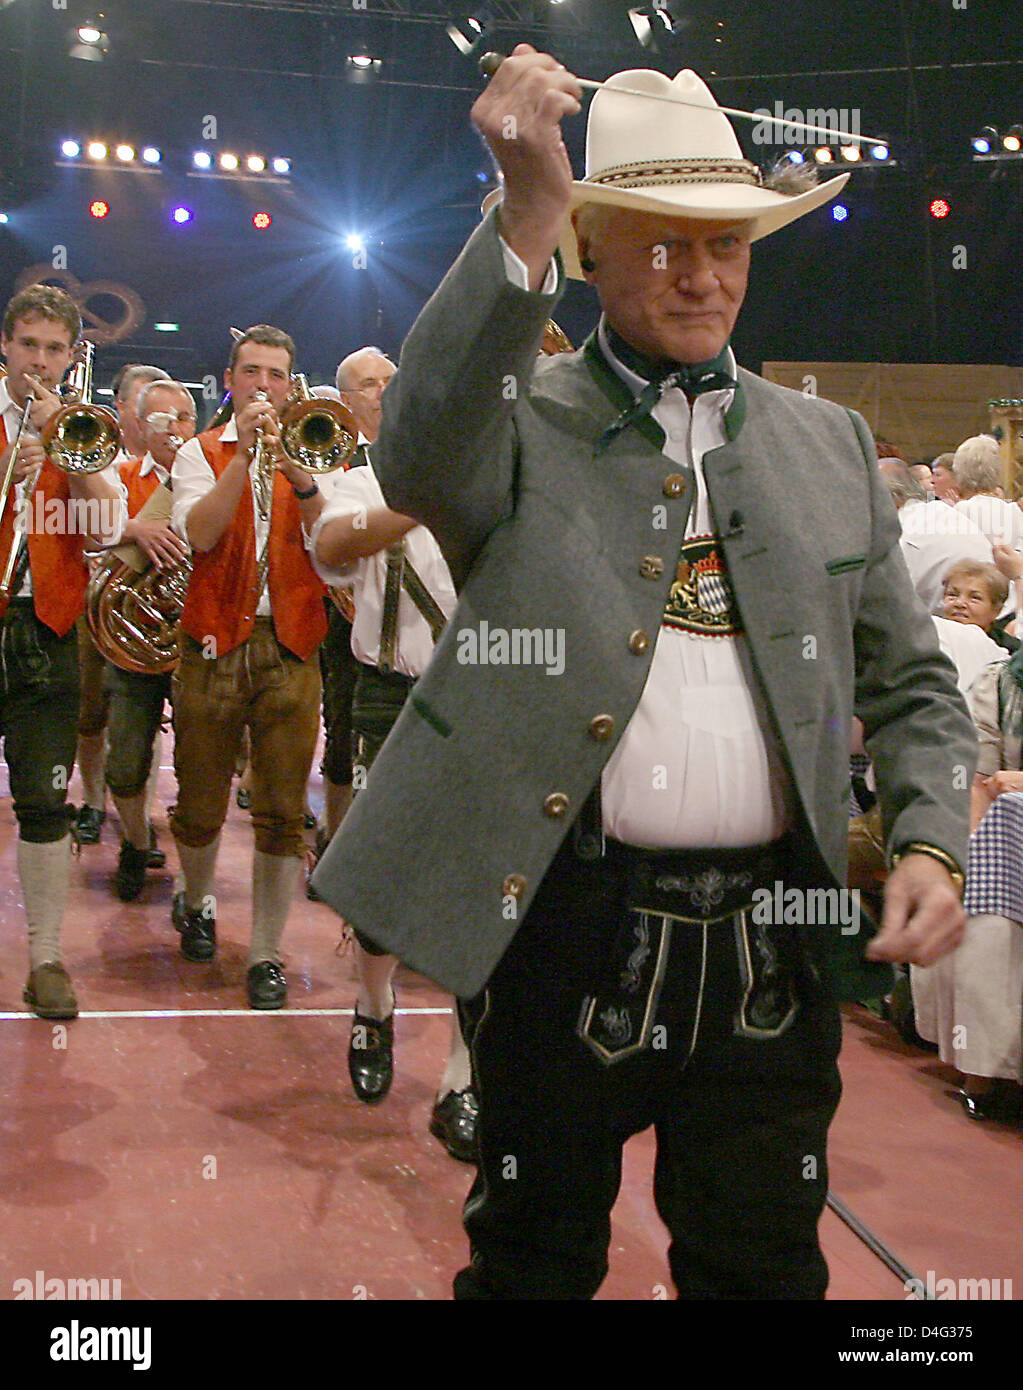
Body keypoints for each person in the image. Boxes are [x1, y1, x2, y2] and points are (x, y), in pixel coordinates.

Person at [312, 49, 976, 1299]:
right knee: (532, 1265)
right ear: (595, 247)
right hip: (566, 927)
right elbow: (417, 452)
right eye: (665, 243)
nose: (704, 273)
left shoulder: (826, 443)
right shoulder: (520, 423)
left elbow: (912, 684)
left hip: (781, 935)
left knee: (766, 1270)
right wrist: (521, 210)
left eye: (725, 244)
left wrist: (936, 840)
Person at [309, 362, 477, 1162]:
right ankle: (375, 1008)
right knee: (380, 875)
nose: (390, 394)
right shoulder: (353, 479)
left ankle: (462, 1078)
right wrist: (420, 500)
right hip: (387, 691)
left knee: (480, 892)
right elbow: (334, 548)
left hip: (482, 697)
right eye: (373, 387)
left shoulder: (489, 474)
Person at [169, 324, 327, 1009]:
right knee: (201, 803)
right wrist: (241, 457)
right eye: (251, 372)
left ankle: (266, 950)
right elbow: (198, 533)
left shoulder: (318, 452)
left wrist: (302, 478)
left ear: (290, 387)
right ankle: (198, 899)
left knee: (283, 812)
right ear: (230, 381)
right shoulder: (196, 453)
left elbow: (336, 553)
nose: (263, 385)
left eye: (275, 375)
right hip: (212, 645)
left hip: (290, 647)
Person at [0, 285, 127, 1018]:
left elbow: (109, 522)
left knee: (46, 803)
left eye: (54, 349)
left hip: (46, 631)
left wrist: (66, 446)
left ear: (70, 355)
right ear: (6, 347)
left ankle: (45, 957)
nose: (39, 363)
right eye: (28, 346)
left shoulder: (83, 426)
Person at [103, 380, 196, 900]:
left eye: (184, 417)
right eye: (163, 420)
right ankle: (136, 844)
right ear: (139, 425)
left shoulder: (210, 476)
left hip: (194, 647)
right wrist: (134, 528)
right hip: (132, 645)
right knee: (125, 762)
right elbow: (84, 534)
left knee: (199, 767)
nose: (176, 429)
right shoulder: (117, 476)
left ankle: (191, 874)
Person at [74, 364, 171, 847]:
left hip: (163, 621)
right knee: (91, 714)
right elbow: (85, 524)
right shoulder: (106, 460)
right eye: (146, 409)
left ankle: (140, 820)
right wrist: (133, 529)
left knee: (141, 730)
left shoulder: (190, 466)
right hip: (105, 610)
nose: (161, 422)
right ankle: (93, 801)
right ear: (125, 410)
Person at [882, 462, 991, 614]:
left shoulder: (902, 533)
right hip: (994, 614)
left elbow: (890, 601)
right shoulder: (941, 510)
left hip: (957, 622)